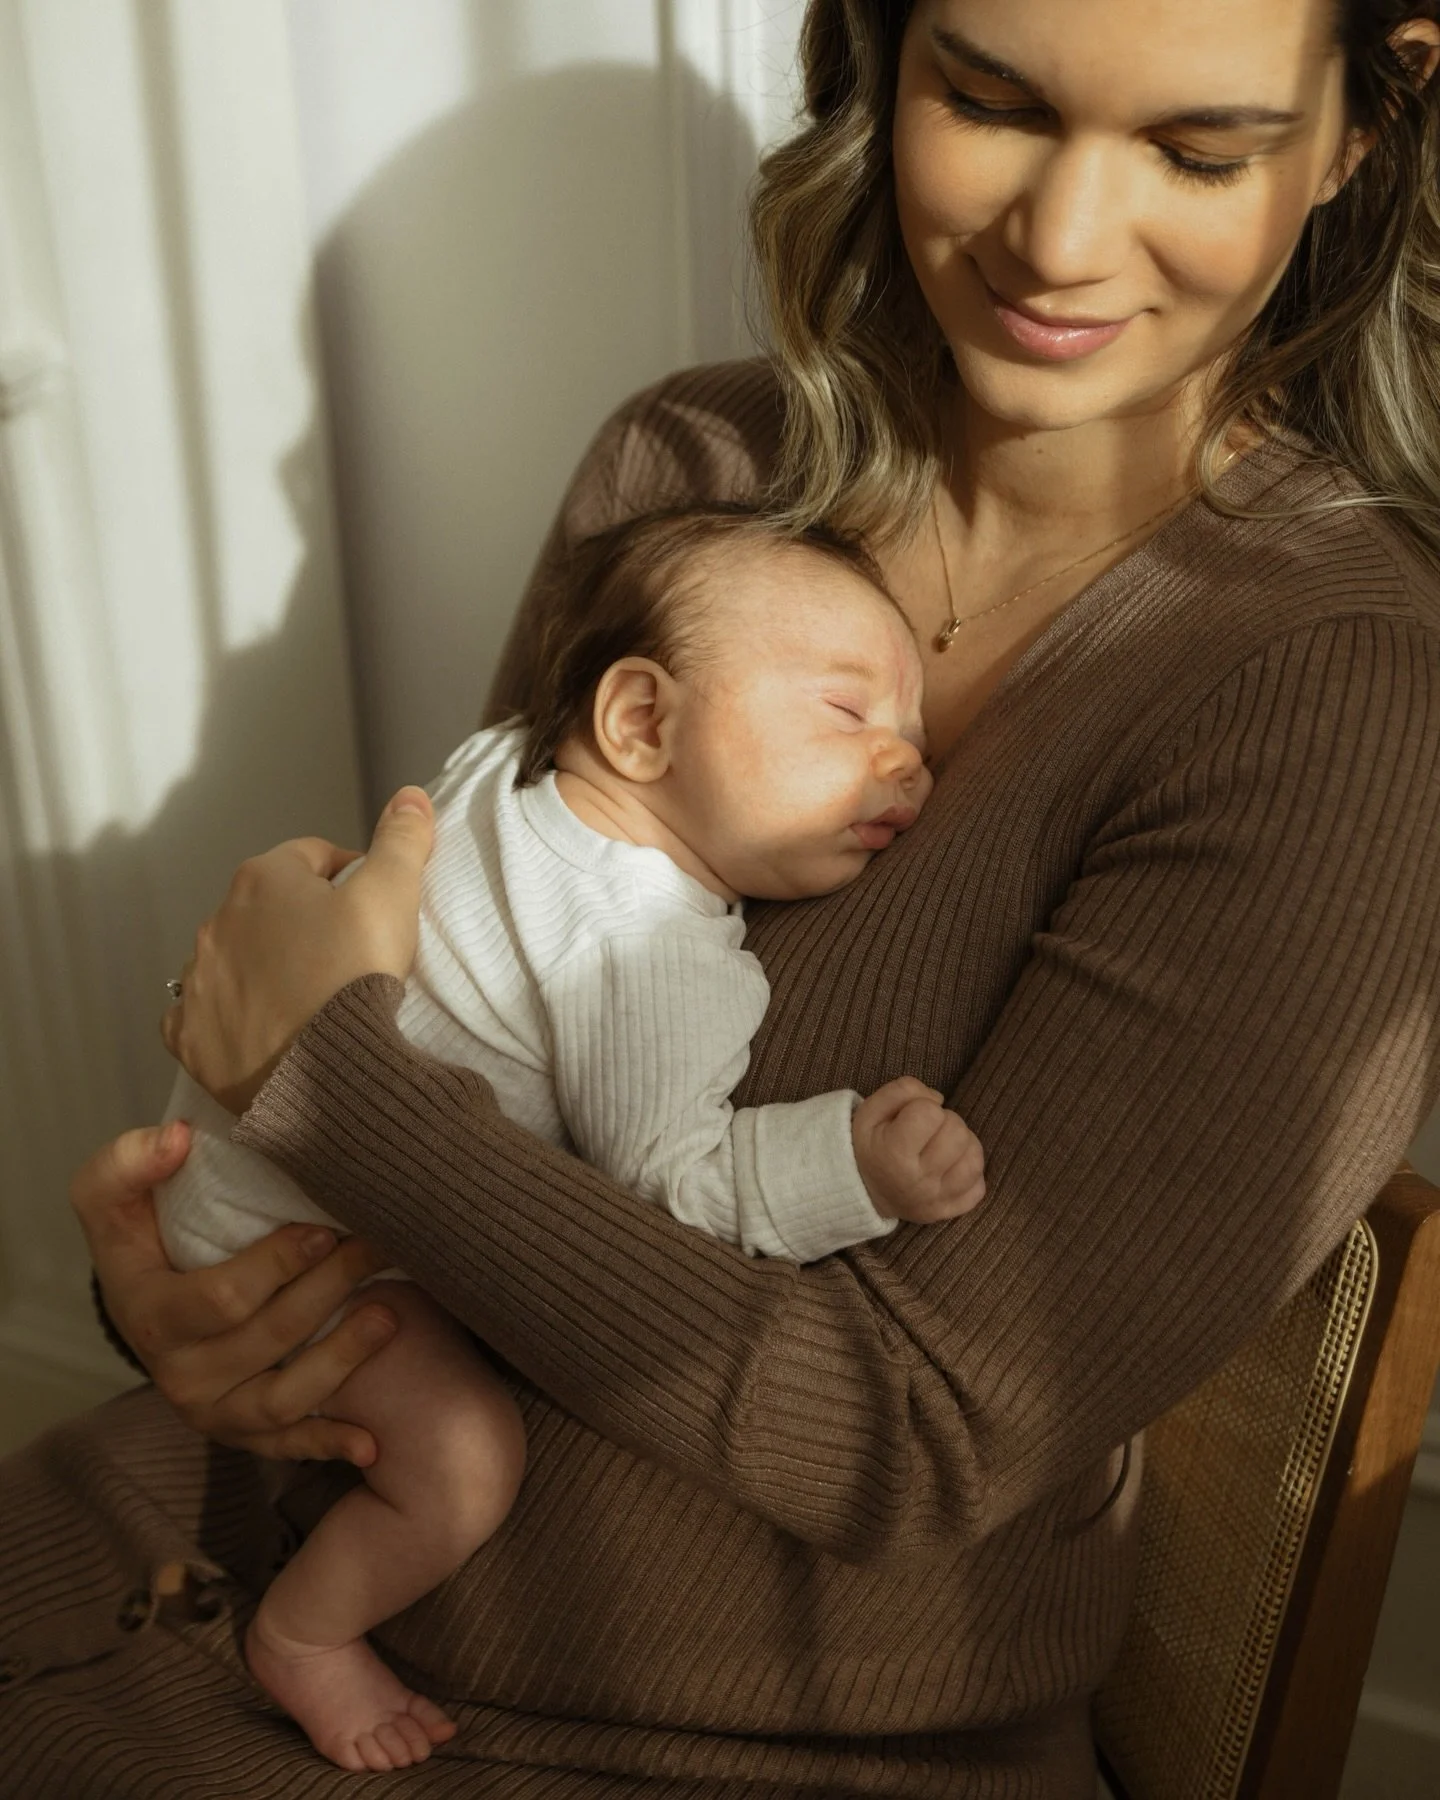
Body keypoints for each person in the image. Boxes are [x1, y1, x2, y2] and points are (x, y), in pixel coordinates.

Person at [4, 0, 1440, 1794]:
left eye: (1196, 151)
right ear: (880, 57)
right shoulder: (691, 472)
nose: (1061, 242)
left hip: (693, 1738)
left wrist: (319, 1077)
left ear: (1362, 127)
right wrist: (195, 1293)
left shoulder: (1327, 698)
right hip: (231, 1534)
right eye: (987, 101)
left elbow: (913, 1444)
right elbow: (471, 992)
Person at [155, 504, 978, 1773]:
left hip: (216, 1165)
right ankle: (307, 1634)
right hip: (308, 1244)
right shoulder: (643, 946)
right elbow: (666, 1190)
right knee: (466, 1462)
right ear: (640, 721)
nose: (909, 763)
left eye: (915, 735)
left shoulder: (501, 767)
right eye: (848, 712)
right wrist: (848, 1164)